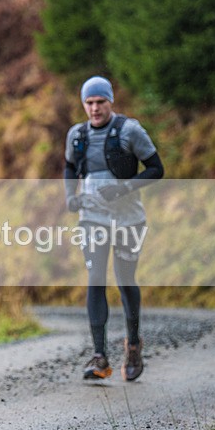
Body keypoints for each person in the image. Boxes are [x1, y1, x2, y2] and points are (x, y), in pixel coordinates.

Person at [63, 76, 164, 382]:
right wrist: (70, 196)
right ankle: (99, 356)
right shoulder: (77, 134)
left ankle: (133, 344)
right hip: (92, 218)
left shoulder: (129, 130)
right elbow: (69, 166)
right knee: (95, 278)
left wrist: (123, 189)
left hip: (128, 219)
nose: (95, 108)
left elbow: (156, 169)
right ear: (84, 104)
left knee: (124, 279)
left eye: (100, 102)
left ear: (110, 101)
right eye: (89, 103)